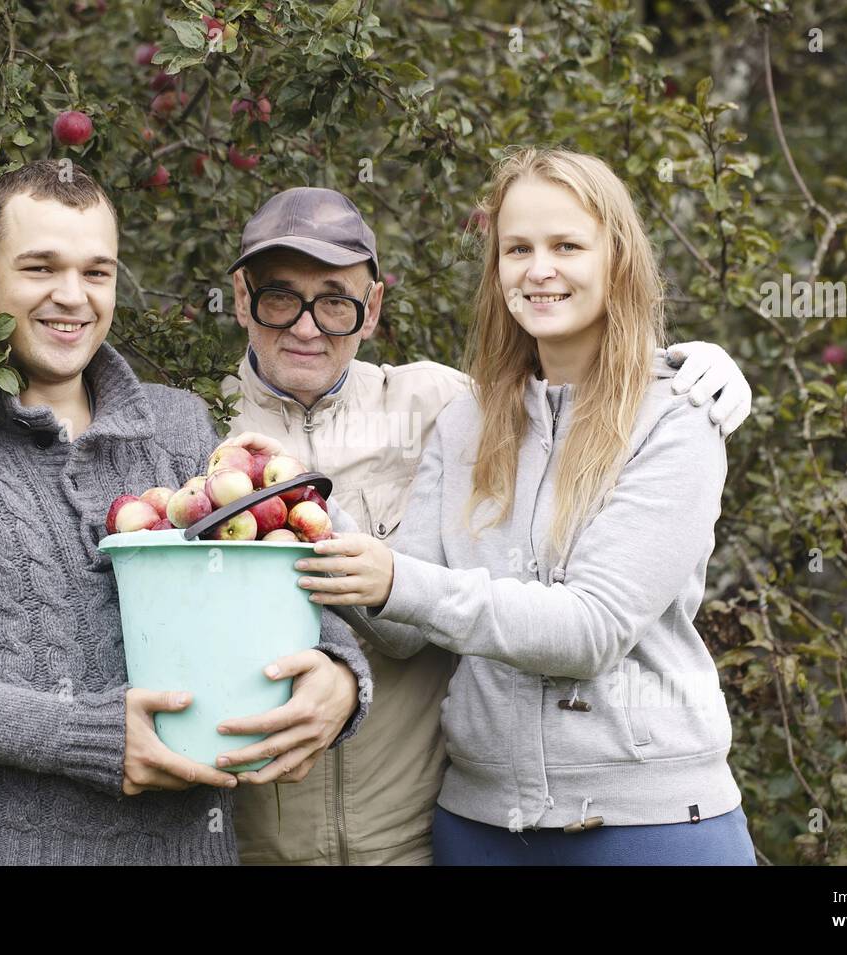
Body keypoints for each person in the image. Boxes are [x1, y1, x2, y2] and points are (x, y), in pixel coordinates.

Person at [0, 184, 753, 865]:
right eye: (281, 297)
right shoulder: (198, 429)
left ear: (374, 308)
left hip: (415, 837)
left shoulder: (447, 407)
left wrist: (694, 370)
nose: (309, 325)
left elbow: (568, 406)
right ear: (242, 300)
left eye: (337, 301)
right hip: (253, 842)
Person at [0, 160, 371, 865]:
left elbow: (273, 585)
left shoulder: (177, 428)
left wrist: (339, 674)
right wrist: (83, 735)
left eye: (96, 272)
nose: (72, 296)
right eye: (41, 268)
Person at [294, 147, 757, 865]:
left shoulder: (677, 415)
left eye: (567, 246)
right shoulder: (467, 420)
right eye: (518, 249)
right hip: (480, 826)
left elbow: (591, 630)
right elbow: (406, 628)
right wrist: (309, 509)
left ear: (617, 258)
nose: (539, 269)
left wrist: (398, 580)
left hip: (649, 827)